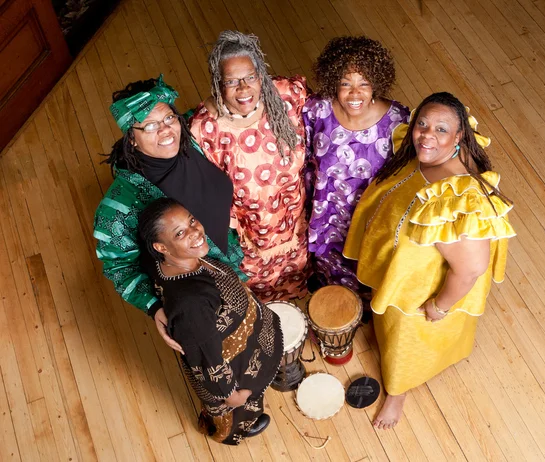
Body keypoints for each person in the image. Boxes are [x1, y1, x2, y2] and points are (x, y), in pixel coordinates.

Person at [344, 92, 516, 429]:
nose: (426, 134)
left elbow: (470, 268)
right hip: (404, 271)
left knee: (403, 344)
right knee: (386, 325)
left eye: (440, 129)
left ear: (459, 136)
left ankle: (397, 392)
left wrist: (440, 306)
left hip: (421, 296)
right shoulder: (427, 154)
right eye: (422, 124)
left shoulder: (456, 199)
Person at [93, 75, 245, 352]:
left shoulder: (194, 137)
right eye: (149, 126)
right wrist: (153, 308)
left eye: (168, 119)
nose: (165, 131)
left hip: (243, 257)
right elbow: (119, 267)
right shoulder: (121, 206)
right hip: (204, 291)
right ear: (132, 139)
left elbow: (215, 104)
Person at [138, 198, 283, 445]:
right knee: (236, 411)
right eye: (180, 232)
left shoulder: (166, 262)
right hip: (232, 374)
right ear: (161, 246)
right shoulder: (190, 304)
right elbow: (208, 362)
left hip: (240, 346)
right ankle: (232, 431)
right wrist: (230, 395)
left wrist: (155, 309)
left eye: (191, 220)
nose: (195, 232)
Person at [189, 30, 311, 302]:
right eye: (232, 81)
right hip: (250, 233)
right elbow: (207, 192)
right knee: (259, 293)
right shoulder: (205, 129)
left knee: (299, 275)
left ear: (261, 76)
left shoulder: (288, 97)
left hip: (296, 219)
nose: (244, 89)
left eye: (251, 77)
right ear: (219, 84)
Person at [302, 36, 410, 295]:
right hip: (328, 213)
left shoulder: (397, 122)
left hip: (369, 217)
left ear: (376, 83)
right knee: (329, 264)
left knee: (366, 262)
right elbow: (305, 158)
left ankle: (364, 300)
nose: (354, 93)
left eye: (364, 83)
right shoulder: (318, 110)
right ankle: (334, 292)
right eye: (345, 83)